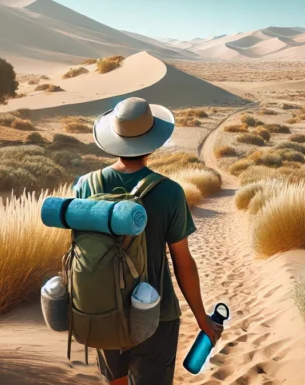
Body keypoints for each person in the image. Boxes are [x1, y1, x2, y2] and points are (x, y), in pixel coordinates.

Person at [73, 96, 222, 385]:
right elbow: (183, 263)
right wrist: (202, 318)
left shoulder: (85, 185)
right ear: (152, 143)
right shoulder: (170, 192)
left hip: (102, 310)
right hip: (157, 313)